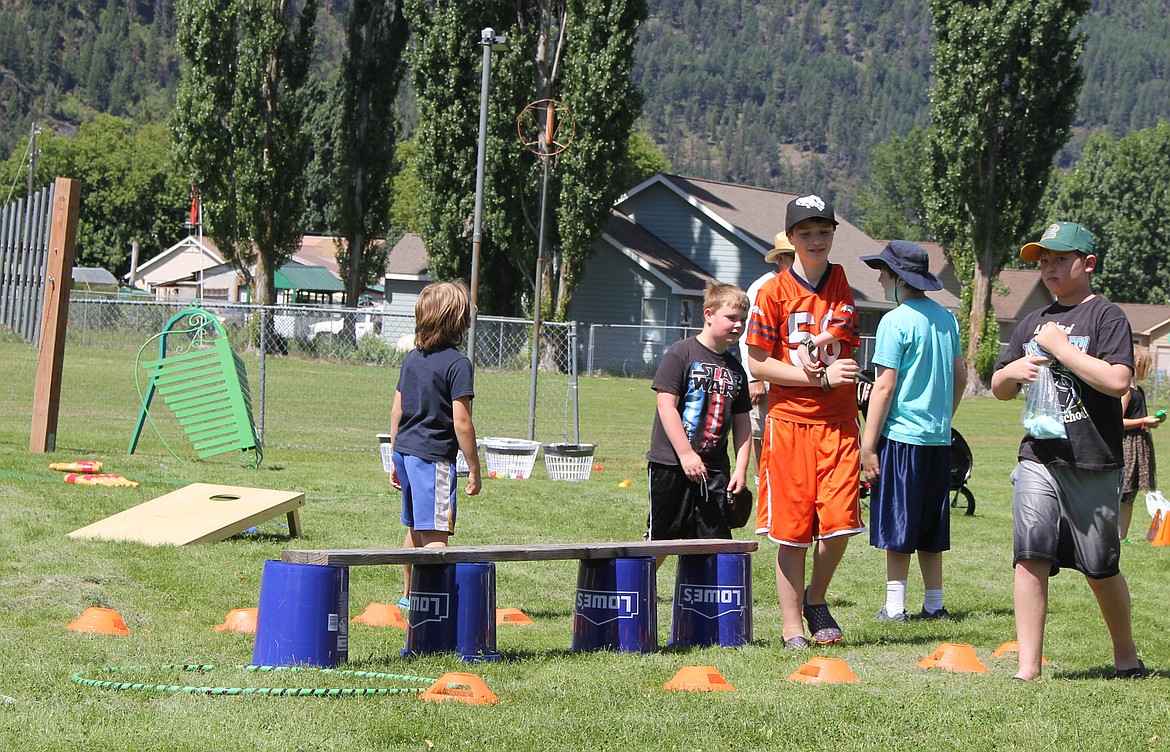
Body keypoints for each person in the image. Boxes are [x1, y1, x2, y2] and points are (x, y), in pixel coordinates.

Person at [991, 221, 1146, 680]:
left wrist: (1062, 348)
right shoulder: (1031, 322)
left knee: (1100, 568)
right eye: (1043, 261)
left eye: (1060, 258)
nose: (1049, 267)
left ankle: (1125, 656)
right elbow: (1000, 389)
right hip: (1039, 456)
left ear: (1088, 263)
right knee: (1029, 555)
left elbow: (1119, 380)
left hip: (1093, 460)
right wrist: (1013, 369)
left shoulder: (1107, 317)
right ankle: (1027, 670)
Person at [746, 194, 862, 649]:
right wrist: (818, 380)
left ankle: (816, 598)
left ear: (834, 235)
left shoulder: (842, 279)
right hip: (790, 422)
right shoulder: (772, 291)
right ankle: (792, 624)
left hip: (838, 424)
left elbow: (844, 328)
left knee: (840, 524)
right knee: (791, 530)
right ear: (790, 239)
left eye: (824, 231)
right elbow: (758, 363)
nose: (816, 239)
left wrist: (829, 368)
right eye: (806, 232)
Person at [858, 241, 966, 623]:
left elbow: (884, 387)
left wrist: (868, 444)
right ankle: (935, 604)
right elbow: (961, 377)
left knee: (898, 524)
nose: (879, 278)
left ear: (899, 279)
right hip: (937, 440)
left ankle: (894, 606)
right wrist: (941, 418)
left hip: (902, 439)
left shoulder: (895, 321)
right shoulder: (946, 318)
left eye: (883, 272)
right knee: (931, 524)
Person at [388, 280, 483, 610]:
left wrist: (394, 456)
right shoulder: (458, 365)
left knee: (416, 528)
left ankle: (409, 595)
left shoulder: (412, 359)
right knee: (436, 536)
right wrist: (474, 467)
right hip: (433, 460)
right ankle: (432, 604)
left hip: (406, 453)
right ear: (458, 321)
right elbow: (462, 422)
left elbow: (397, 409)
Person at [646, 283, 752, 569]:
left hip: (715, 469)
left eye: (743, 319)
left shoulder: (735, 369)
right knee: (662, 538)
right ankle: (638, 594)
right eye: (731, 317)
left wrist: (741, 469)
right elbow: (666, 405)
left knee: (713, 541)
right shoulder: (681, 353)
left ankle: (702, 604)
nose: (738, 325)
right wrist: (686, 454)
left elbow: (743, 424)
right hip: (672, 464)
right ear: (708, 314)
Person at [741, 232, 796, 475]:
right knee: (759, 435)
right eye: (792, 257)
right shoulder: (762, 287)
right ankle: (760, 484)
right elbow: (746, 337)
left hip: (795, 378)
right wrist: (755, 379)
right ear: (780, 259)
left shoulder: (809, 285)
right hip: (765, 376)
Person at [1120, 344, 1164, 541]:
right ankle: (1112, 535)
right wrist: (1144, 421)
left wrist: (1151, 422)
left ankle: (1122, 536)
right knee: (1122, 491)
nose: (1150, 369)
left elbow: (1139, 419)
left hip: (1140, 443)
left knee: (1130, 494)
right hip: (1127, 445)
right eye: (1148, 364)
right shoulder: (1126, 390)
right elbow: (1117, 422)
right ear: (1138, 363)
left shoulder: (1140, 390)